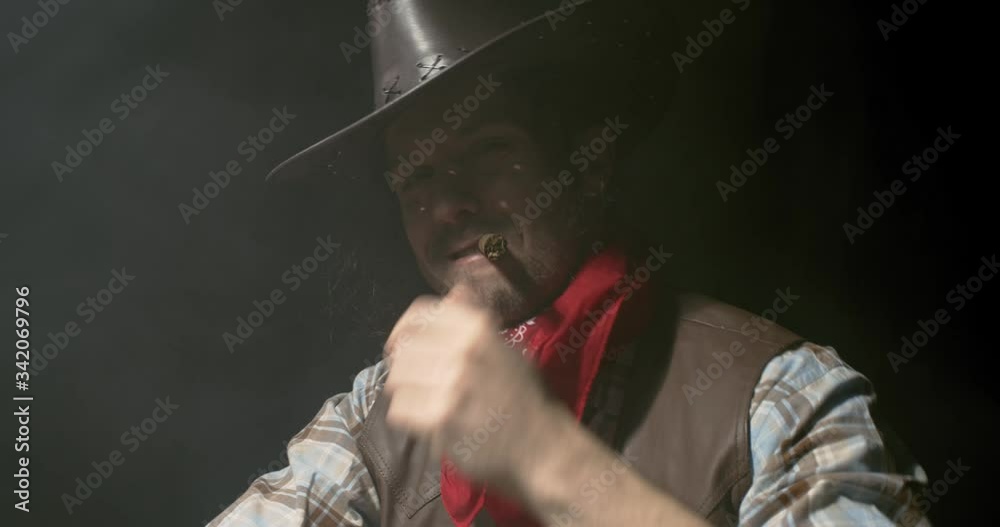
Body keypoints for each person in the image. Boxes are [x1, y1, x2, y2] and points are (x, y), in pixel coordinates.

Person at [211, 1, 929, 525]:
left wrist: (546, 456)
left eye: (487, 151)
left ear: (589, 164)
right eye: (417, 178)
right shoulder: (378, 412)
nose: (448, 205)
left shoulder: (781, 395)